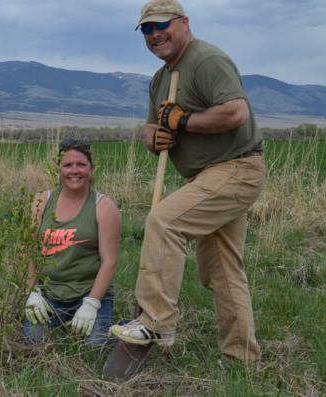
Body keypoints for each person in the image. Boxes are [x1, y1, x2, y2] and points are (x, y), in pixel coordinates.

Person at [110, 0, 265, 364]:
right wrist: (156, 139)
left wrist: (183, 123)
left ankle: (156, 321)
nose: (154, 34)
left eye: (162, 24)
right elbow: (152, 130)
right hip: (206, 176)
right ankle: (242, 361)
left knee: (164, 221)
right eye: (146, 29)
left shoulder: (206, 60)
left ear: (184, 23)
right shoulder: (161, 79)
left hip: (236, 168)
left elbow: (235, 111)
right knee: (222, 271)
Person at [23, 139, 122, 345]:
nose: (74, 171)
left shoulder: (104, 207)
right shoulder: (41, 201)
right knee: (32, 341)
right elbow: (26, 249)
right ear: (58, 169)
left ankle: (119, 326)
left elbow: (110, 261)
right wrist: (32, 292)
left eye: (81, 165)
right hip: (49, 293)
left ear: (91, 169)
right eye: (68, 165)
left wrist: (92, 303)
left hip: (88, 292)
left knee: (94, 345)